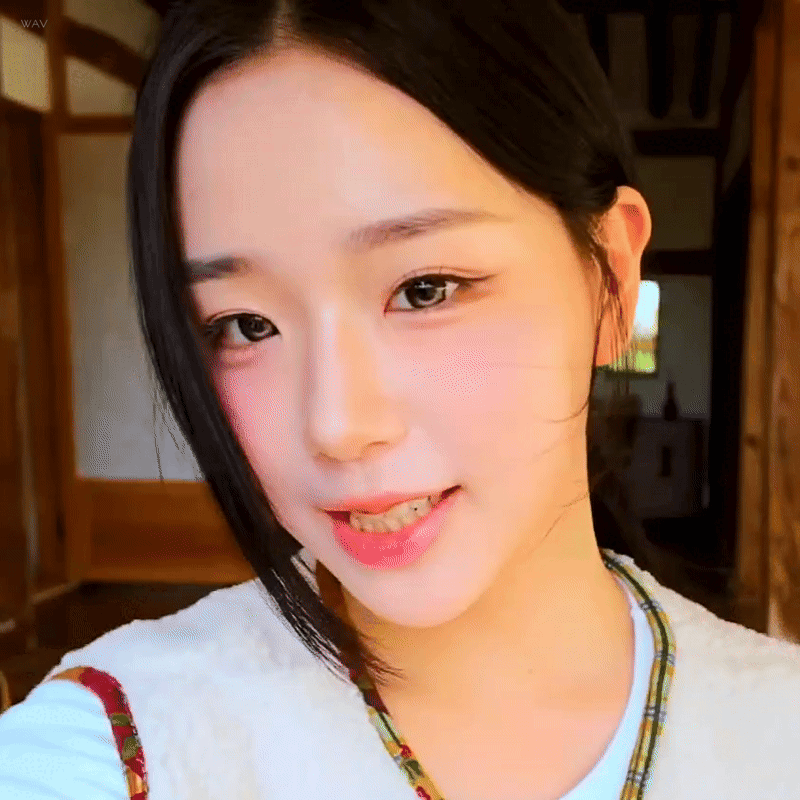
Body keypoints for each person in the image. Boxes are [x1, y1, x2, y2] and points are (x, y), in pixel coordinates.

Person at [1, 1, 799, 798]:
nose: (337, 426)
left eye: (425, 289)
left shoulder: (776, 728)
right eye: (244, 325)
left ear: (610, 277)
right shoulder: (118, 742)